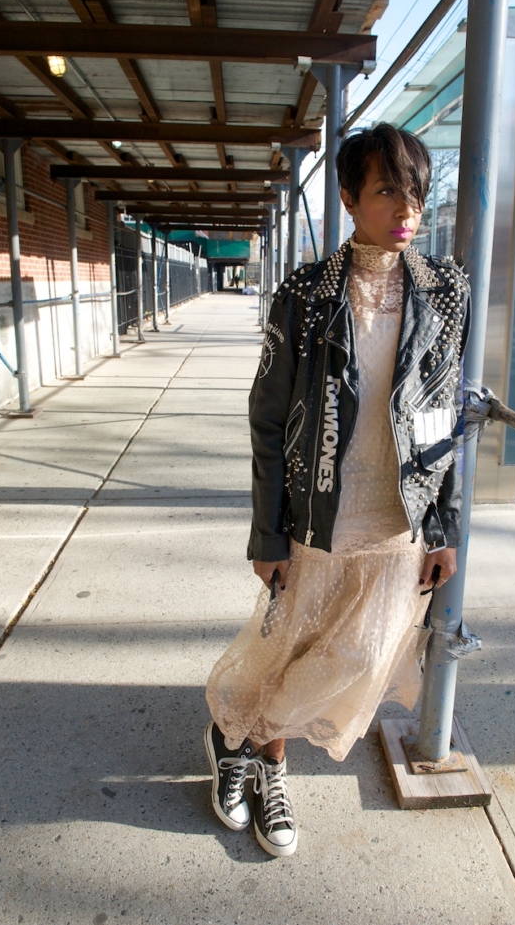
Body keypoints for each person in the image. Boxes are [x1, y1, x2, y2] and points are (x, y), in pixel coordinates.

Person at [204, 123, 470, 857]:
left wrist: (441, 526)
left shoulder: (446, 293)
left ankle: (246, 738)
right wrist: (267, 535)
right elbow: (266, 420)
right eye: (387, 189)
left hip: (399, 519)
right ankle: (268, 762)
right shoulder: (306, 294)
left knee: (356, 658)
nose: (405, 206)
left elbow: (443, 412)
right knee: (294, 647)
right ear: (350, 198)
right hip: (318, 512)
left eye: (414, 189)